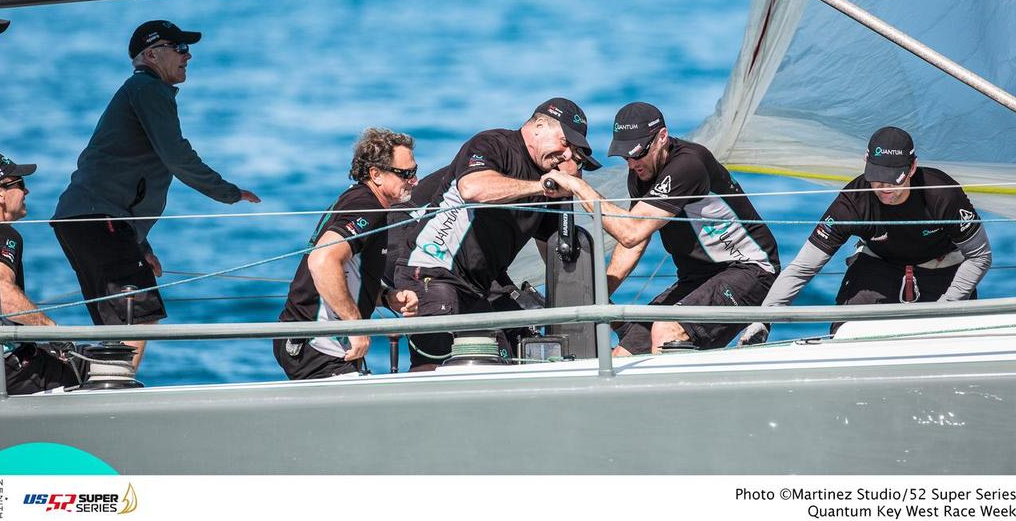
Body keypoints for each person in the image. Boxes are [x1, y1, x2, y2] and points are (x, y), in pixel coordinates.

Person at [52, 20, 260, 370]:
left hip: (86, 219)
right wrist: (229, 193)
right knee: (139, 315)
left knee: (118, 322)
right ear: (151, 54)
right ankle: (113, 393)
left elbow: (119, 173)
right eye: (178, 48)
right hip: (98, 218)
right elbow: (176, 155)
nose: (188, 54)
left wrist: (139, 245)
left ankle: (98, 386)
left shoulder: (141, 92)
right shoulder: (148, 89)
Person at [545, 102, 780, 354]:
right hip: (697, 278)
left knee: (666, 330)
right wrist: (599, 292)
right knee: (621, 355)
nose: (632, 164)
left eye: (637, 154)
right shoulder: (640, 173)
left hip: (749, 270)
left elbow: (631, 230)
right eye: (625, 157)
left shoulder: (688, 165)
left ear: (662, 138)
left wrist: (579, 188)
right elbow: (633, 242)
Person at [394, 98, 601, 367]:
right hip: (432, 271)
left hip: (477, 287)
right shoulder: (493, 144)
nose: (565, 155)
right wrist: (542, 187)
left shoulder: (547, 181)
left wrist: (569, 188)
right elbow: (473, 189)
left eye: (574, 153)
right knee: (438, 367)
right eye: (564, 144)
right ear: (539, 126)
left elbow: (557, 251)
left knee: (506, 358)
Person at [740, 126, 992, 345]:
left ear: (912, 167)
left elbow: (980, 256)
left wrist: (947, 306)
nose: (884, 189)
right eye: (877, 179)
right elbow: (802, 268)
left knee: (949, 337)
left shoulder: (942, 194)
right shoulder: (853, 202)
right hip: (877, 267)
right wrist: (763, 318)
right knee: (847, 333)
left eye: (894, 180)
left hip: (942, 269)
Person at [275, 128, 421, 379]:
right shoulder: (366, 206)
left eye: (415, 172)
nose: (415, 181)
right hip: (316, 344)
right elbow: (322, 260)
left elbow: (348, 274)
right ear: (376, 174)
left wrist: (387, 297)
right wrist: (353, 326)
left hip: (325, 345)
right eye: (406, 174)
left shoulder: (365, 203)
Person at [0, 154, 83, 394]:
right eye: (20, 184)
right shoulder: (3, 235)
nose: (27, 191)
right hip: (4, 369)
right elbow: (4, 295)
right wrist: (52, 330)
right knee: (94, 367)